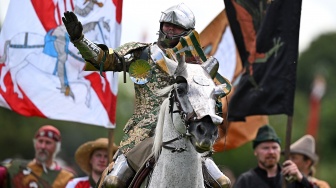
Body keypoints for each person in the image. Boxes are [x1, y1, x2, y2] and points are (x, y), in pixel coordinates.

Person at [62, 3, 231, 188]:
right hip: (142, 133)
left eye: (177, 27)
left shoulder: (196, 65)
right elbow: (104, 59)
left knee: (222, 183)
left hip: (186, 134)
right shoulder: (142, 53)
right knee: (113, 182)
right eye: (167, 24)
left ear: (188, 32)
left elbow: (209, 100)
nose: (170, 29)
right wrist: (79, 39)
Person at [234, 125, 313, 188]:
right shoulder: (246, 181)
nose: (271, 152)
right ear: (255, 152)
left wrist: (301, 179)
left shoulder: (291, 178)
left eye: (274, 147)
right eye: (265, 148)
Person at [0, 125, 75, 187]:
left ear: (57, 147)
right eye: (40, 141)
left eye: (48, 143)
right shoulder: (14, 167)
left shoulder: (66, 179)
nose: (43, 146)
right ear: (35, 144)